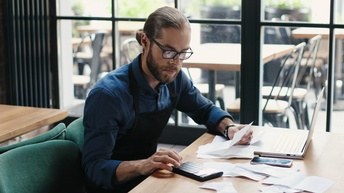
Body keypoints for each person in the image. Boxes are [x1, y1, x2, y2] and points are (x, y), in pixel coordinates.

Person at [82, 6, 253, 193]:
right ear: (145, 41)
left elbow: (205, 110)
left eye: (183, 53)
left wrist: (229, 128)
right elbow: (94, 168)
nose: (176, 62)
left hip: (148, 180)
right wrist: (142, 165)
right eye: (169, 52)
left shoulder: (174, 79)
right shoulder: (109, 95)